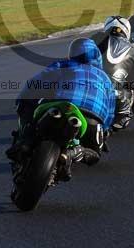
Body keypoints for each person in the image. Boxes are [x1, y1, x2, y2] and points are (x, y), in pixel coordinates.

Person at [7, 38, 115, 170]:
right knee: (94, 153)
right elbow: (110, 113)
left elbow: (34, 84)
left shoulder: (63, 65)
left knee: (28, 106)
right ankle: (74, 153)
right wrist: (104, 130)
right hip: (93, 117)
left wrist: (23, 100)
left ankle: (25, 141)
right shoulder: (106, 79)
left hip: (61, 104)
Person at [93, 16, 134, 129]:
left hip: (89, 85)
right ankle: (123, 114)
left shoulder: (95, 38)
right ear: (127, 31)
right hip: (116, 93)